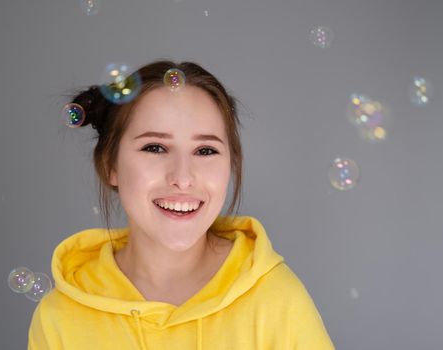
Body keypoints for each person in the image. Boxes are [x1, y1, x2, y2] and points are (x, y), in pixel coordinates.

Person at [28, 61, 335, 349]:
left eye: (205, 150)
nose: (183, 177)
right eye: (155, 147)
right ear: (111, 164)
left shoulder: (277, 301)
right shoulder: (60, 317)